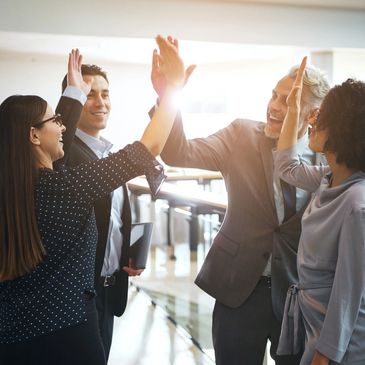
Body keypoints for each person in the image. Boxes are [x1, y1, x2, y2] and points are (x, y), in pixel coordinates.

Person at [0, 35, 184, 365]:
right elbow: (149, 146)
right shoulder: (68, 188)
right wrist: (173, 89)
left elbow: (56, 143)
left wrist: (74, 93)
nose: (62, 125)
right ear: (33, 135)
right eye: (55, 120)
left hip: (13, 335)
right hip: (70, 334)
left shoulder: (10, 188)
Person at [152, 37, 330, 365]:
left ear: (313, 115)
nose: (275, 106)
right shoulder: (240, 134)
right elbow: (178, 151)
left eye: (288, 100)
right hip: (238, 289)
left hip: (297, 295)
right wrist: (168, 96)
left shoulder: (329, 157)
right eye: (274, 96)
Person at [275, 58, 365, 365]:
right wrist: (292, 110)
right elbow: (286, 165)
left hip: (340, 343)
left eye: (321, 118)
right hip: (314, 325)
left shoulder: (356, 203)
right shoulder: (328, 177)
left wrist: (326, 353)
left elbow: (349, 291)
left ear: (342, 129)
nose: (312, 122)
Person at [60, 64, 144, 360]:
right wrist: (71, 96)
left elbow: (113, 220)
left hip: (108, 289)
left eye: (105, 94)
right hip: (77, 294)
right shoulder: (63, 154)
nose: (100, 102)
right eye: (89, 94)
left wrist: (125, 255)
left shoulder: (108, 152)